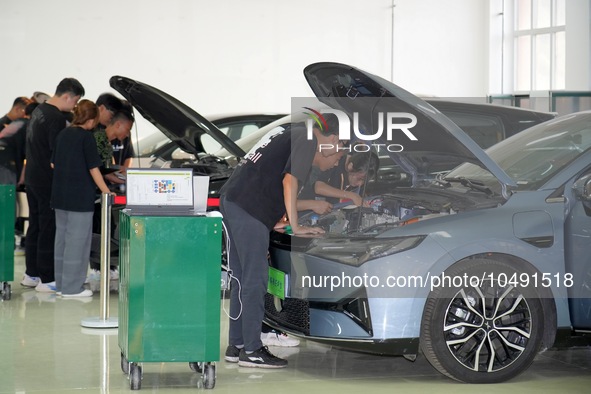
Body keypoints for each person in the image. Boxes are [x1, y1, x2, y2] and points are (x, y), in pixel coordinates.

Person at [220, 115, 344, 368]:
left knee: (241, 278)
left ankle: (238, 345)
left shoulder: (288, 131)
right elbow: (289, 180)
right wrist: (296, 227)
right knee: (255, 279)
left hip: (235, 201)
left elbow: (268, 175)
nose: (336, 160)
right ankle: (253, 350)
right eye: (339, 151)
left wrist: (274, 221)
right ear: (332, 140)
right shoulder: (308, 137)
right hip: (248, 207)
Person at [22, 78, 85, 291]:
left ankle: (31, 274)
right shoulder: (56, 118)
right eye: (75, 101)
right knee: (48, 228)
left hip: (32, 177)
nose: (74, 106)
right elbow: (56, 154)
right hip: (46, 180)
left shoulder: (39, 110)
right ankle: (47, 279)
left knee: (35, 226)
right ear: (67, 96)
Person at [51, 100, 112, 297]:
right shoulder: (86, 138)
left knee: (62, 240)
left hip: (60, 195)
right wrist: (106, 191)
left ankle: (61, 284)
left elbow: (53, 164)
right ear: (93, 119)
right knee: (78, 242)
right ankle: (72, 288)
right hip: (79, 197)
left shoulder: (63, 134)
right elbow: (93, 168)